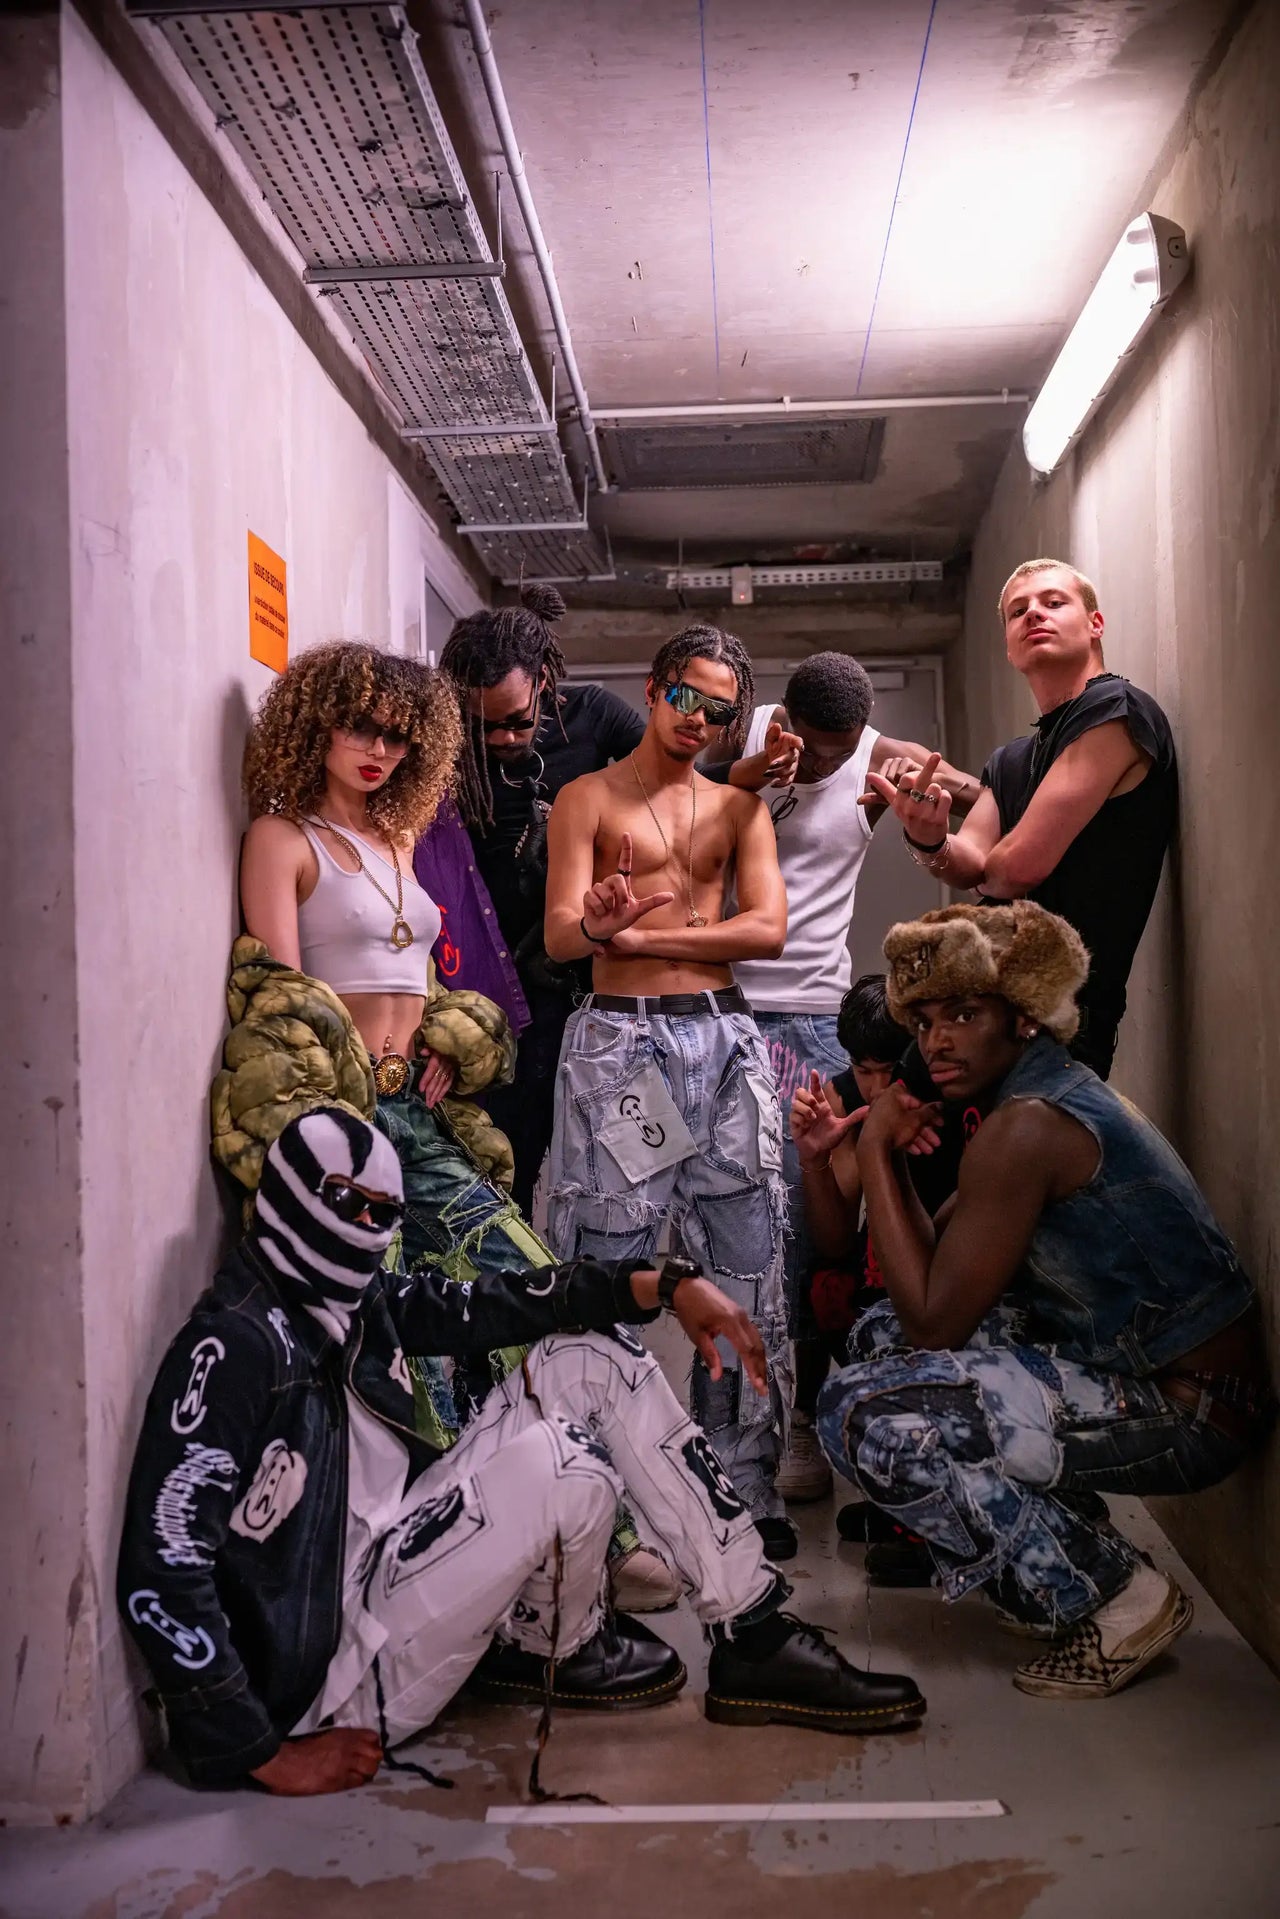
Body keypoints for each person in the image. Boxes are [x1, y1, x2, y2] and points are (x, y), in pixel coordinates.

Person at [117, 1110, 926, 1793]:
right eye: (344, 1201)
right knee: (564, 1462)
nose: (364, 1225)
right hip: (330, 1683)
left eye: (379, 1210)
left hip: (383, 1576)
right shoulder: (238, 1345)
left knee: (588, 1357)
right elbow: (162, 1561)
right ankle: (551, 1643)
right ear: (288, 1195)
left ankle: (748, 1628)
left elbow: (498, 1304)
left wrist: (665, 1282)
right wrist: (257, 1751)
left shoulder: (347, 1304)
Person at [801, 901, 1272, 1699]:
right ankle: (1061, 1545)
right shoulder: (1037, 1097)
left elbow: (937, 1320)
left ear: (1022, 1018)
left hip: (1195, 1406)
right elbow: (930, 1288)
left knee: (863, 1411)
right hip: (1146, 1371)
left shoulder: (1028, 1126)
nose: (937, 1040)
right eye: (924, 1023)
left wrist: (877, 1146)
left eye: (963, 1013)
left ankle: (1114, 1594)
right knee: (879, 1339)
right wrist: (871, 1155)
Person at [543, 624, 797, 1560]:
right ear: (653, 691)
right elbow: (567, 936)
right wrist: (602, 924)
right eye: (687, 697)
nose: (701, 719)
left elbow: (766, 930)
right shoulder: (587, 798)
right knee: (614, 1256)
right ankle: (598, 1496)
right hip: (626, 1054)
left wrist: (646, 943)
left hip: (723, 1043)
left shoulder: (738, 810)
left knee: (744, 1266)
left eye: (721, 709)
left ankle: (742, 1481)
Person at [703, 651, 979, 1504]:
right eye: (816, 745)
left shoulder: (874, 756)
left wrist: (938, 828)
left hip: (813, 1021)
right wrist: (747, 777)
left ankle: (792, 1421)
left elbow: (970, 797)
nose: (825, 762)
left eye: (840, 747)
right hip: (720, 1008)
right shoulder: (743, 736)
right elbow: (671, 806)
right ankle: (721, 1440)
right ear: (786, 715)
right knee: (724, 1227)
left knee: (806, 1233)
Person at [866, 559, 1177, 1079]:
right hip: (989, 1006)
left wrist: (975, 856)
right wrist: (929, 837)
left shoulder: (1116, 710)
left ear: (1094, 623)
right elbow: (970, 862)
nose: (1034, 614)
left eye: (1054, 603)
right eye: (1018, 611)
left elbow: (1013, 870)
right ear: (1010, 645)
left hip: (1063, 1017)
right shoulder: (1011, 759)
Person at [439, 587, 645, 1216]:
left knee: (627, 1153)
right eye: (482, 724)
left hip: (587, 968)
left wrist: (751, 774)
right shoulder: (444, 740)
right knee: (509, 1154)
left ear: (546, 681)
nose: (500, 737)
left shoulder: (594, 716)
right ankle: (517, 1294)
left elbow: (675, 788)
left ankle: (617, 1289)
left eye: (516, 720)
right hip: (485, 979)